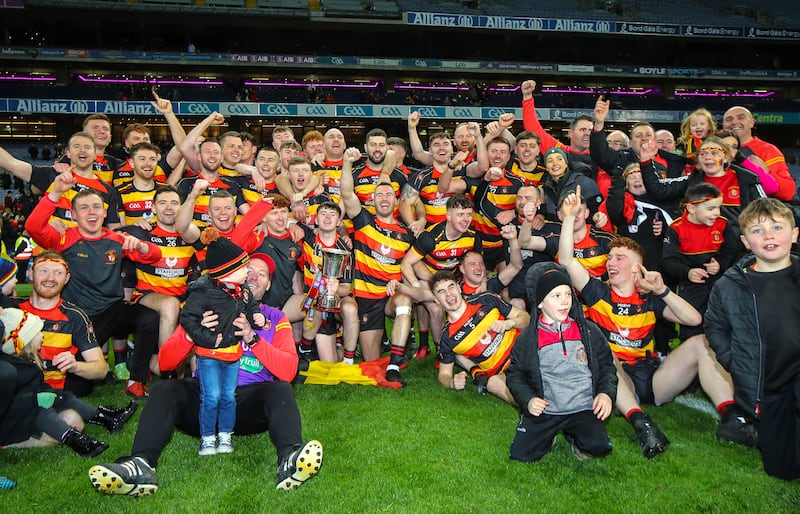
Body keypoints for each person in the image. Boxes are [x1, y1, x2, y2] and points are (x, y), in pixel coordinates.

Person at [89, 253, 323, 495]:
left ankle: (291, 458)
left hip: (247, 405)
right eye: (248, 270)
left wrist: (253, 339)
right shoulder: (205, 307)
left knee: (280, 389)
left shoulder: (275, 318)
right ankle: (140, 464)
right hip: (205, 405)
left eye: (261, 274)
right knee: (164, 388)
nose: (253, 277)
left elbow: (288, 371)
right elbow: (166, 364)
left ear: (268, 285)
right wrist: (192, 333)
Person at [559, 185, 752, 458]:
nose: (611, 262)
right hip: (616, 376)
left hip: (651, 376)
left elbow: (693, 318)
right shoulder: (597, 291)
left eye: (620, 258)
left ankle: (733, 419)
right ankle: (641, 423)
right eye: (610, 257)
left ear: (637, 267)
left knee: (701, 343)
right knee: (601, 350)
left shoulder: (649, 297)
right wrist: (568, 217)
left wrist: (662, 291)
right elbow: (566, 259)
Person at [25, 173, 162, 398]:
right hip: (78, 318)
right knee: (80, 387)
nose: (92, 213)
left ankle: (136, 379)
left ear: (105, 212)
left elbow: (154, 256)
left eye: (97, 207)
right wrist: (56, 192)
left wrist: (141, 246)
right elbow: (33, 227)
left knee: (149, 318)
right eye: (85, 208)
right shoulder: (64, 237)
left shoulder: (116, 239)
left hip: (111, 311)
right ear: (74, 214)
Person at [705, 197, 800, 480]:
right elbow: (715, 328)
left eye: (777, 228)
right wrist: (736, 362)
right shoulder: (730, 284)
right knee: (783, 470)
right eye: (758, 231)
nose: (769, 236)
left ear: (794, 235)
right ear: (746, 241)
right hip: (769, 387)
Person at [506, 263, 617, 462]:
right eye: (556, 296)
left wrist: (605, 394)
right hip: (547, 409)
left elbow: (607, 365)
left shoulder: (589, 331)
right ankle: (546, 437)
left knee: (599, 447)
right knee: (521, 456)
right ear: (539, 303)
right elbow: (515, 375)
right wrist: (529, 399)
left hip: (583, 407)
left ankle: (577, 436)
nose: (565, 301)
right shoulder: (529, 338)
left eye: (567, 294)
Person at [0, 308, 135, 457]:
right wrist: (35, 400)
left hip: (29, 408)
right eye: (38, 333)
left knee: (64, 397)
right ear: (25, 340)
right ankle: (74, 439)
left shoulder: (26, 361)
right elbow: (8, 403)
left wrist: (50, 394)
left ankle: (104, 417)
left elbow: (37, 386)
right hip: (14, 420)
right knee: (43, 413)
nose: (42, 336)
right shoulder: (10, 370)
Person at [180, 228, 266, 456]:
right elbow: (187, 319)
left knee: (229, 396)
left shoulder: (242, 291)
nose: (248, 272)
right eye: (243, 268)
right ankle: (208, 437)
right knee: (211, 396)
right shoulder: (203, 294)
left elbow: (250, 308)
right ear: (226, 272)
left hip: (233, 354)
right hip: (209, 356)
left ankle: (226, 434)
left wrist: (257, 317)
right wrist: (209, 338)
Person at [340, 147, 414, 384]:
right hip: (367, 299)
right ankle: (386, 341)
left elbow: (411, 266)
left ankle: (394, 364)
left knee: (404, 301)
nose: (384, 199)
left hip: (390, 295)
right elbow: (346, 192)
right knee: (370, 361)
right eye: (379, 195)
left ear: (395, 200)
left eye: (388, 195)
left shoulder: (406, 232)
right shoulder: (363, 222)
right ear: (373, 200)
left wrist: (401, 282)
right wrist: (346, 163)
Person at [430, 270, 529, 405]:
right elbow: (444, 375)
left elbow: (526, 318)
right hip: (504, 372)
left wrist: (510, 323)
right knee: (493, 384)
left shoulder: (485, 299)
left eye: (451, 287)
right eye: (441, 291)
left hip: (524, 352)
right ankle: (529, 406)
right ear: (436, 300)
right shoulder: (447, 338)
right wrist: (452, 382)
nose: (448, 294)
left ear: (459, 288)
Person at [18, 251, 107, 396]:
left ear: (67, 278)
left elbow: (101, 369)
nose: (50, 278)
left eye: (58, 272)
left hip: (56, 392)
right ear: (30, 274)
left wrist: (75, 366)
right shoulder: (14, 311)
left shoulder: (75, 316)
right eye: (43, 270)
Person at [662, 183, 738, 341]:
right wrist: (687, 272)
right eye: (711, 209)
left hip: (719, 284)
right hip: (691, 288)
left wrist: (720, 265)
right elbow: (668, 261)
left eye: (718, 208)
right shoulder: (676, 228)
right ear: (691, 208)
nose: (716, 213)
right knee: (692, 330)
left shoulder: (723, 224)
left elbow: (733, 252)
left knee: (721, 324)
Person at [722, 106, 795, 201]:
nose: (734, 122)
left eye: (741, 117)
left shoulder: (768, 150)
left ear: (752, 123)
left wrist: (766, 171)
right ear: (723, 125)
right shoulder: (712, 149)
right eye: (729, 119)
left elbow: (788, 193)